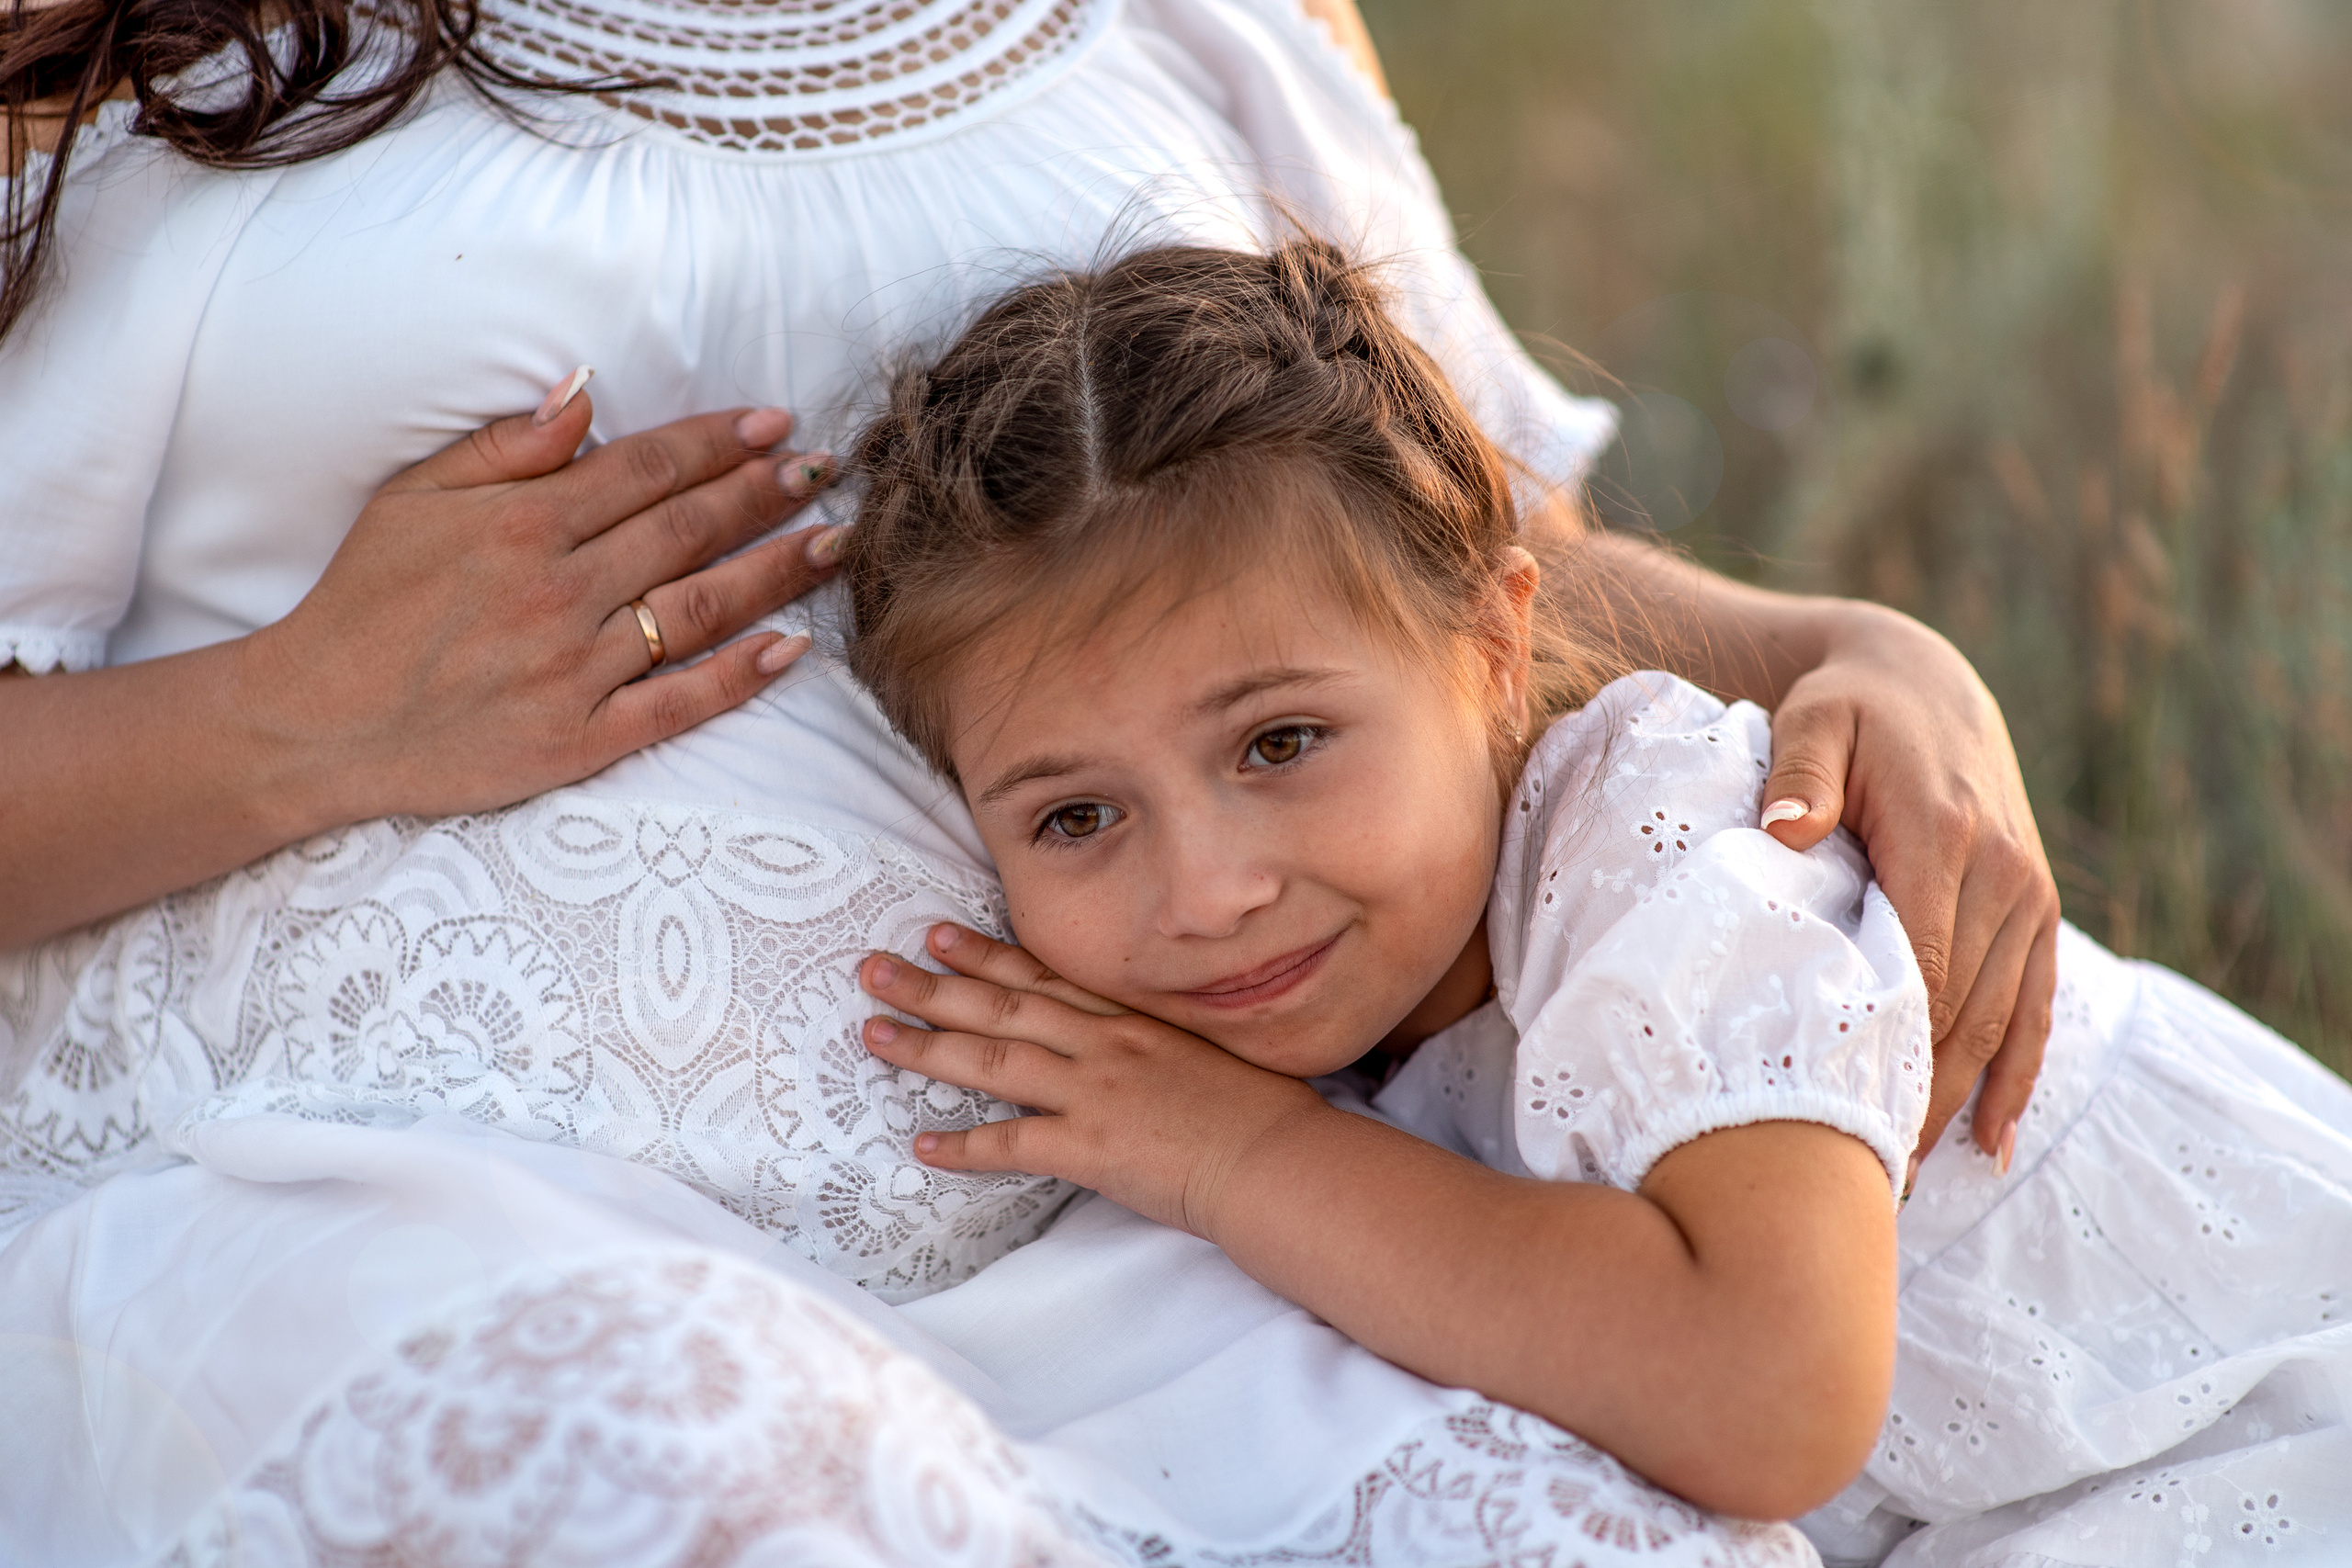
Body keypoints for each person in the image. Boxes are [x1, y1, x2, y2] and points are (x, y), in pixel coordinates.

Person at [0, 0, 2052, 1558]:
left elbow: (1443, 543)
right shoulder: (122, 61)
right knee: (697, 1457)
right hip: (366, 1200)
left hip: (1188, 1210)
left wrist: (1848, 648)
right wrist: (293, 709)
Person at [840, 239, 2352, 1565]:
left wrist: (1233, 1156)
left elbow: (1770, 1399)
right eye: (1077, 816)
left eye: (1282, 742)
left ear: (1495, 650)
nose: (1213, 891)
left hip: (2258, 1426)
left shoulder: (1659, 838)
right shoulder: (1365, 991)